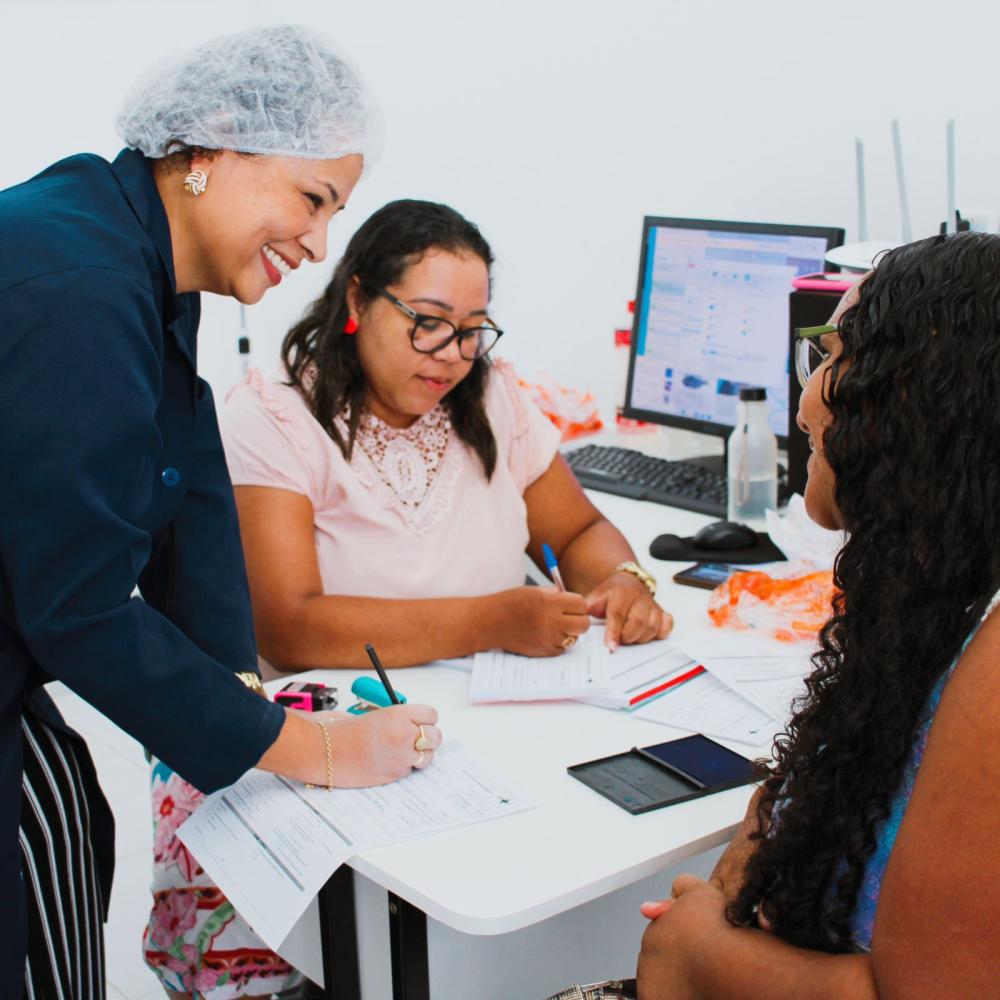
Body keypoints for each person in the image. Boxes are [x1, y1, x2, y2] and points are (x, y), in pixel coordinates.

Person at [0, 25, 441, 1000]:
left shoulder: (126, 238)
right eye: (313, 200)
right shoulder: (80, 287)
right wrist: (316, 748)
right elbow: (79, 608)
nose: (319, 244)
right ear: (210, 145)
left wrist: (240, 684)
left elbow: (187, 466)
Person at [622, 232, 1000, 997]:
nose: (804, 403)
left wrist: (693, 951)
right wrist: (765, 843)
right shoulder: (930, 587)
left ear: (918, 393)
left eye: (831, 357)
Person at [219, 198, 674, 674]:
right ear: (357, 300)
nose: (453, 353)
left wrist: (622, 579)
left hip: (497, 701)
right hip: (348, 713)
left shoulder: (491, 401)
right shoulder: (274, 418)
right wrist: (489, 623)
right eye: (429, 322)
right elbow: (288, 628)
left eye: (472, 329)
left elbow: (579, 532)